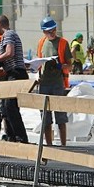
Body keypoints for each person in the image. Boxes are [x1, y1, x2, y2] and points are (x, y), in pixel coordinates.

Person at [36, 16, 71, 146]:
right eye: (49, 31)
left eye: (54, 30)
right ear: (44, 32)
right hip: (44, 83)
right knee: (46, 118)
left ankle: (63, 146)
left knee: (60, 116)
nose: (52, 33)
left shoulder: (63, 43)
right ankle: (49, 146)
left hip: (57, 83)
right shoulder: (41, 43)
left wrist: (61, 66)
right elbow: (39, 61)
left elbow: (70, 65)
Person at [0, 14, 29, 143]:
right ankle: (11, 136)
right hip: (11, 73)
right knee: (5, 107)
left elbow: (10, 53)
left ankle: (21, 137)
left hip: (16, 73)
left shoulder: (9, 35)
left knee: (10, 106)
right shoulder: (5, 37)